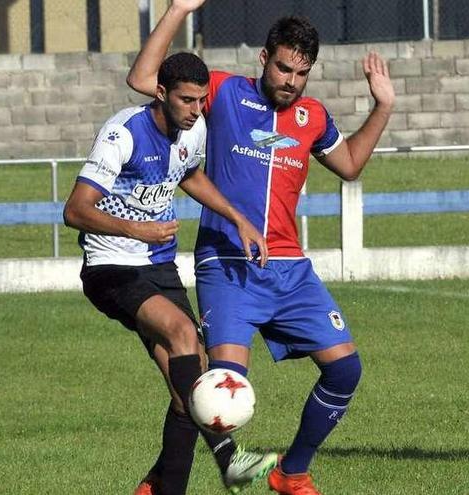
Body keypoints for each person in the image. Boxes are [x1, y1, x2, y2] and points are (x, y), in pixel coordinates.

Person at [126, 1, 395, 493]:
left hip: (290, 270)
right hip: (228, 266)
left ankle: (291, 473)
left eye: (302, 73)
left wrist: (382, 107)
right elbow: (144, 77)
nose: (292, 80)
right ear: (264, 58)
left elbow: (351, 164)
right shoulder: (225, 92)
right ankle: (163, 478)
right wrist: (177, 11)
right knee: (217, 390)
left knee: (346, 370)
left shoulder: (313, 116)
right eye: (284, 67)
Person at [63, 51, 277, 495]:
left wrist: (237, 219)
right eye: (186, 100)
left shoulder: (192, 129)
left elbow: (189, 175)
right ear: (160, 93)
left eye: (201, 100)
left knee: (188, 392)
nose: (197, 110)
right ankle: (229, 457)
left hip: (158, 267)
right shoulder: (123, 133)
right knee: (182, 332)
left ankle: (159, 487)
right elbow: (75, 210)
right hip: (111, 267)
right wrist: (135, 228)